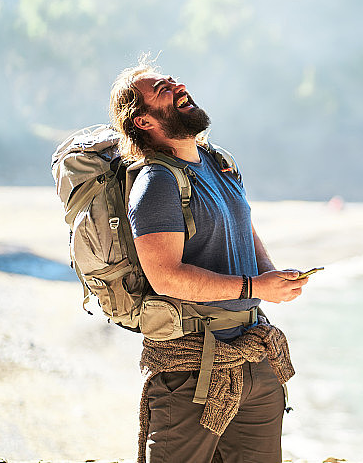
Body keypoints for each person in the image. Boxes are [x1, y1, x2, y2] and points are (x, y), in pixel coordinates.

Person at [108, 57, 308, 463]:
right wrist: (254, 288)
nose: (176, 85)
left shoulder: (219, 163)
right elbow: (166, 277)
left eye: (172, 80)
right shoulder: (157, 183)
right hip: (189, 370)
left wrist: (271, 276)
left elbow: (246, 230)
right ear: (143, 120)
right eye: (161, 89)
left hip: (253, 354)